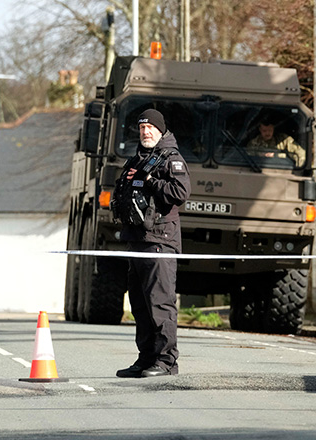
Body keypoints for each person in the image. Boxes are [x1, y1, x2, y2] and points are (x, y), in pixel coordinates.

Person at [114, 109, 191, 378]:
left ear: (160, 130)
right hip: (136, 240)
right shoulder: (138, 159)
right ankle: (146, 358)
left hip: (160, 241)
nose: (146, 132)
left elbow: (180, 193)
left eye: (150, 128)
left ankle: (166, 362)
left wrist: (152, 181)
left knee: (160, 304)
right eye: (142, 128)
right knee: (140, 305)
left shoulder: (171, 159)